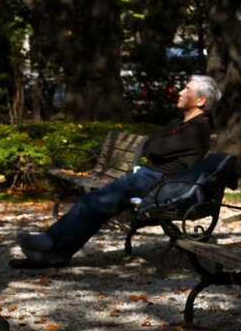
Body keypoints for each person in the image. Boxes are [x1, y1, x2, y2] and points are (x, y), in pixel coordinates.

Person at [14, 75, 221, 267]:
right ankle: (54, 249)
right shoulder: (178, 123)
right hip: (147, 176)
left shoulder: (198, 128)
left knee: (96, 202)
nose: (180, 92)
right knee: (93, 202)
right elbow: (150, 146)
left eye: (187, 89)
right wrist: (156, 148)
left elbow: (156, 148)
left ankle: (53, 247)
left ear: (201, 100)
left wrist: (156, 148)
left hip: (162, 183)